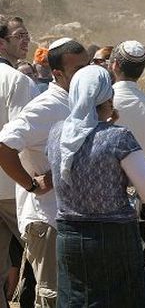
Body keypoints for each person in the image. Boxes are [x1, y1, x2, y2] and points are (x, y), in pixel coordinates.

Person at [47, 64, 145, 307]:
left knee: (75, 300)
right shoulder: (118, 136)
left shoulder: (57, 133)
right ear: (108, 97)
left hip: (69, 236)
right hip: (113, 237)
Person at [0, 38, 87, 308]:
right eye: (78, 70)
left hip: (70, 218)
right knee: (52, 297)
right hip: (47, 220)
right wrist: (31, 185)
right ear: (58, 74)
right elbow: (4, 146)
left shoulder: (80, 103)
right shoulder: (46, 107)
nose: (85, 76)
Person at [0, 16, 37, 308]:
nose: (25, 41)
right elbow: (21, 137)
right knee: (42, 255)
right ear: (2, 43)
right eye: (18, 36)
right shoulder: (17, 81)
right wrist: (34, 184)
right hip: (12, 185)